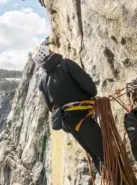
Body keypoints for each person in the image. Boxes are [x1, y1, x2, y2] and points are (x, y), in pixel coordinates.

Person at [32, 40, 105, 173]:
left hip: (68, 123)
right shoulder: (66, 64)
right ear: (49, 52)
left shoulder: (43, 81)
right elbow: (90, 88)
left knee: (95, 157)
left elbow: (51, 107)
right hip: (83, 117)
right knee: (106, 154)